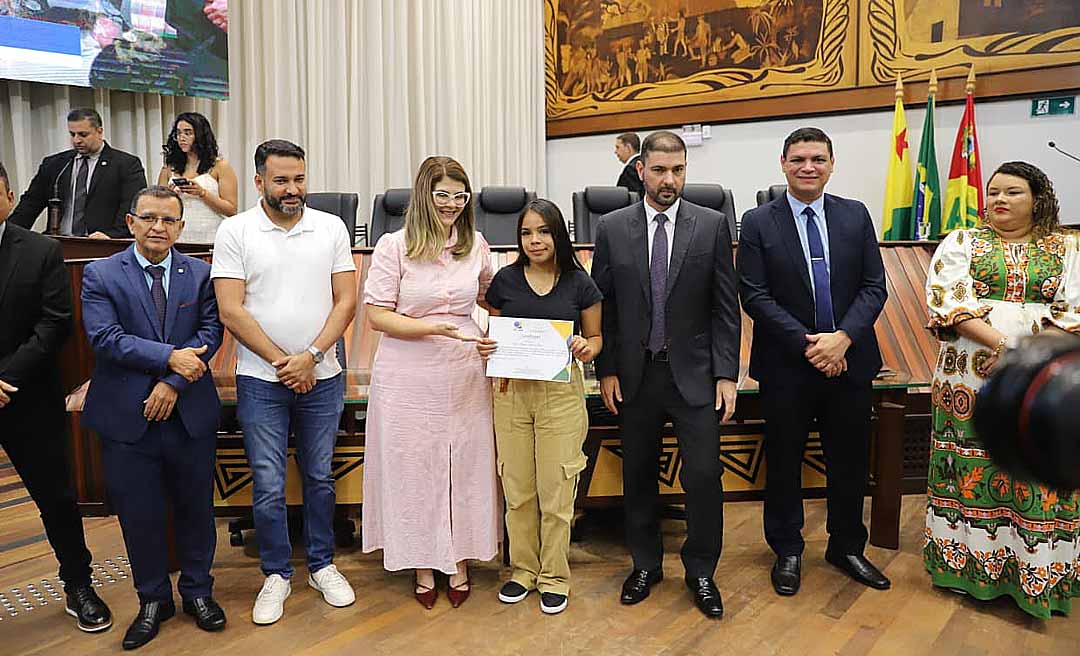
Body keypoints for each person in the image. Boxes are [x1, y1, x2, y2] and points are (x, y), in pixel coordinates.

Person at [591, 130, 739, 618]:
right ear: (641, 171)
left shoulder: (711, 224)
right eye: (659, 170)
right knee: (638, 476)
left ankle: (700, 570)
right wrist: (606, 368)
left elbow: (724, 308)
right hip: (635, 375)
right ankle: (645, 564)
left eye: (677, 170)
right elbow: (603, 307)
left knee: (703, 476)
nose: (669, 179)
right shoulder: (612, 228)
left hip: (695, 375)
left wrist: (726, 374)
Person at [923, 161, 1080, 619]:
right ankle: (967, 569)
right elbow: (948, 302)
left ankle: (1038, 571)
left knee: (1038, 458)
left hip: (1046, 378)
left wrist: (1026, 357)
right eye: (993, 193)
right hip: (970, 374)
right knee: (971, 466)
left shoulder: (1067, 247)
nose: (999, 201)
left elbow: (1075, 309)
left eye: (1012, 192)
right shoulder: (962, 242)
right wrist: (1010, 346)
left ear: (1038, 199)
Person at [737, 127, 890, 598]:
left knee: (848, 461)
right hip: (787, 365)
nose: (809, 167)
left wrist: (842, 340)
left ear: (831, 163)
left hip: (850, 360)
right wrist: (812, 346)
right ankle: (787, 549)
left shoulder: (855, 215)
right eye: (799, 159)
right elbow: (754, 295)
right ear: (782, 163)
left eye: (818, 159)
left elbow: (873, 286)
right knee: (783, 462)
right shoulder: (759, 221)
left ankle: (846, 546)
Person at [212, 140, 357, 625]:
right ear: (259, 182)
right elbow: (231, 309)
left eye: (299, 179)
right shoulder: (235, 231)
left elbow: (346, 302)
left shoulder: (331, 227)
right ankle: (276, 573)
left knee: (319, 476)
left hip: (324, 376)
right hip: (260, 380)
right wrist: (283, 363)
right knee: (270, 483)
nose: (292, 189)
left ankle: (322, 563)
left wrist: (312, 356)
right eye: (281, 180)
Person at [80, 186, 224, 649]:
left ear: (181, 226)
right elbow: (105, 338)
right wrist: (169, 358)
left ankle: (198, 593)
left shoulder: (201, 275)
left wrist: (173, 382)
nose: (158, 227)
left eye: (168, 220)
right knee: (140, 515)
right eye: (149, 218)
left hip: (188, 413)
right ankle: (152, 599)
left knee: (196, 510)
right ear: (131, 222)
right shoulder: (100, 273)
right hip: (127, 418)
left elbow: (211, 333)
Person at [362, 156, 499, 610]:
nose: (452, 205)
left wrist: (498, 335)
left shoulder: (474, 242)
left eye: (460, 196)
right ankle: (422, 562)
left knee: (464, 464)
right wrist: (431, 328)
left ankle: (458, 558)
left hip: (463, 371)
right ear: (424, 195)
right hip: (407, 373)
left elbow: (489, 296)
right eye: (443, 195)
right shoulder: (393, 246)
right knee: (414, 467)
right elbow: (378, 314)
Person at [0, 161, 113, 634]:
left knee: (58, 499)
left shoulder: (39, 250)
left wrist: (6, 377)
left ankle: (78, 585)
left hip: (26, 396)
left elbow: (54, 323)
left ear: (8, 195)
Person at [475, 199, 602, 615]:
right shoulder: (505, 282)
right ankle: (522, 571)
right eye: (527, 233)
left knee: (557, 492)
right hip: (511, 393)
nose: (535, 240)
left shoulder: (579, 283)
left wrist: (586, 347)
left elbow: (597, 340)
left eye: (543, 231)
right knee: (518, 489)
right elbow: (492, 330)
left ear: (558, 234)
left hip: (561, 397)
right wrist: (488, 346)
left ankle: (554, 576)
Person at [9, 108, 146, 238]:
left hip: (103, 244)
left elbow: (132, 207)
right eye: (72, 134)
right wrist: (7, 233)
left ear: (99, 131)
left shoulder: (126, 165)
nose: (76, 140)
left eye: (83, 134)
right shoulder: (55, 165)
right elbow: (30, 204)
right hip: (59, 243)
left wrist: (111, 236)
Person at [157, 112, 238, 244]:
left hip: (210, 238)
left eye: (188, 133)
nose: (181, 138)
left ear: (200, 136)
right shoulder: (168, 168)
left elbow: (231, 210)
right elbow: (158, 206)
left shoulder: (220, 166)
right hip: (177, 238)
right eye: (178, 133)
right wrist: (171, 197)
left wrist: (202, 193)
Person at [614, 132, 645, 197]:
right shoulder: (644, 164)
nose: (615, 151)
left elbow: (634, 197)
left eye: (618, 147)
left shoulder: (631, 169)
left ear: (628, 147)